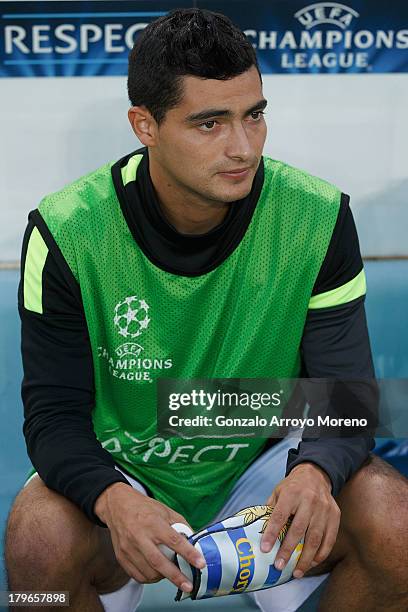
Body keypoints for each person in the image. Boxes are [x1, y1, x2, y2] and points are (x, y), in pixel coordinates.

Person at [5, 8, 408, 612]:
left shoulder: (316, 216)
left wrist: (317, 470)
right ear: (145, 125)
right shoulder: (65, 231)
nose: (242, 147)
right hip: (127, 464)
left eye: (254, 115)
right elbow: (53, 414)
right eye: (209, 123)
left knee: (395, 519)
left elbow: (346, 393)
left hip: (264, 464)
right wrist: (113, 497)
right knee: (36, 547)